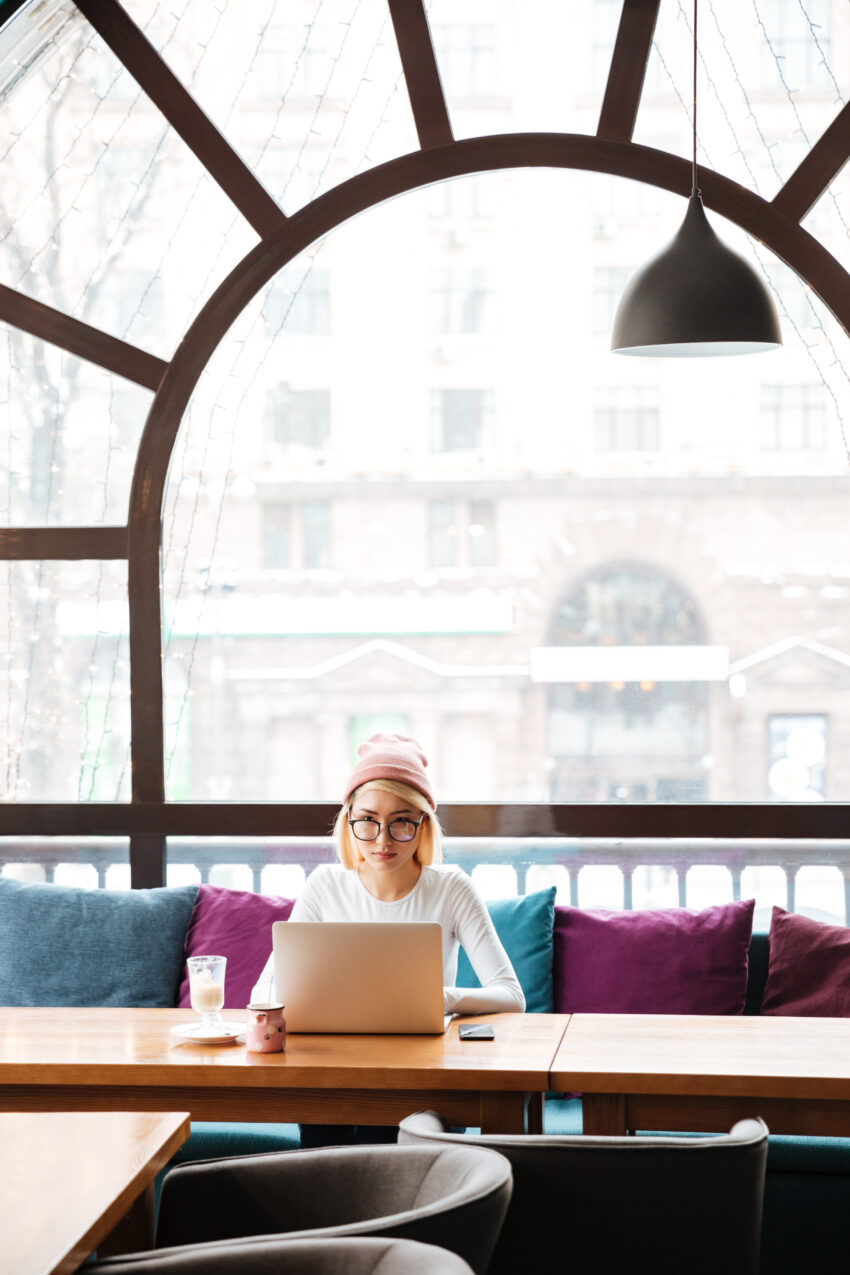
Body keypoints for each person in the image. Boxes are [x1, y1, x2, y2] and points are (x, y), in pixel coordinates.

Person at [250, 732, 525, 1144]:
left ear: (422, 825)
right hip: (333, 1072)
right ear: (349, 821)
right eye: (368, 820)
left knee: (405, 1146)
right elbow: (265, 988)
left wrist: (441, 999)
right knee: (327, 1146)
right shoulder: (325, 885)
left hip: (425, 1075)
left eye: (400, 821)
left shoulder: (452, 888)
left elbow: (511, 996)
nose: (382, 839)